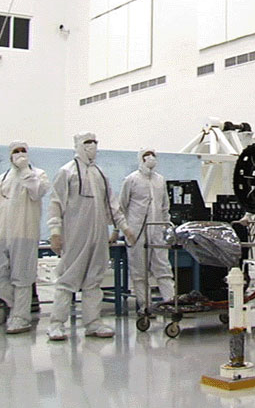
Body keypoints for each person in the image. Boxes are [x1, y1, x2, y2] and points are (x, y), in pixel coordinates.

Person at [46, 132, 132, 341]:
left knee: (94, 279)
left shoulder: (100, 173)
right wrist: (55, 232)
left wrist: (124, 227)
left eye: (95, 142)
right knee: (68, 278)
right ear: (78, 145)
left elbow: (111, 204)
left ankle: (93, 323)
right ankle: (56, 324)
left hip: (98, 234)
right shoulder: (67, 172)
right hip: (75, 234)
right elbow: (56, 203)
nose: (92, 146)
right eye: (87, 142)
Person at [0, 141, 50, 334]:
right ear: (10, 155)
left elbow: (37, 193)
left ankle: (21, 318)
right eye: (16, 151)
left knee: (23, 277)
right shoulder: (1, 179)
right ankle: (19, 304)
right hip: (2, 233)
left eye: (23, 151)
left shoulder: (38, 175)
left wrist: (25, 171)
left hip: (25, 233)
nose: (20, 154)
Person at [119, 148, 175, 314]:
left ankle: (170, 303)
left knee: (163, 269)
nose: (150, 158)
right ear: (140, 159)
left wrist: (166, 229)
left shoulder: (160, 180)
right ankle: (145, 307)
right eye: (146, 155)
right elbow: (121, 207)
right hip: (136, 233)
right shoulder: (131, 180)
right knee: (139, 272)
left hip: (157, 232)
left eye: (153, 155)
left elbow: (164, 207)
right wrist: (120, 230)